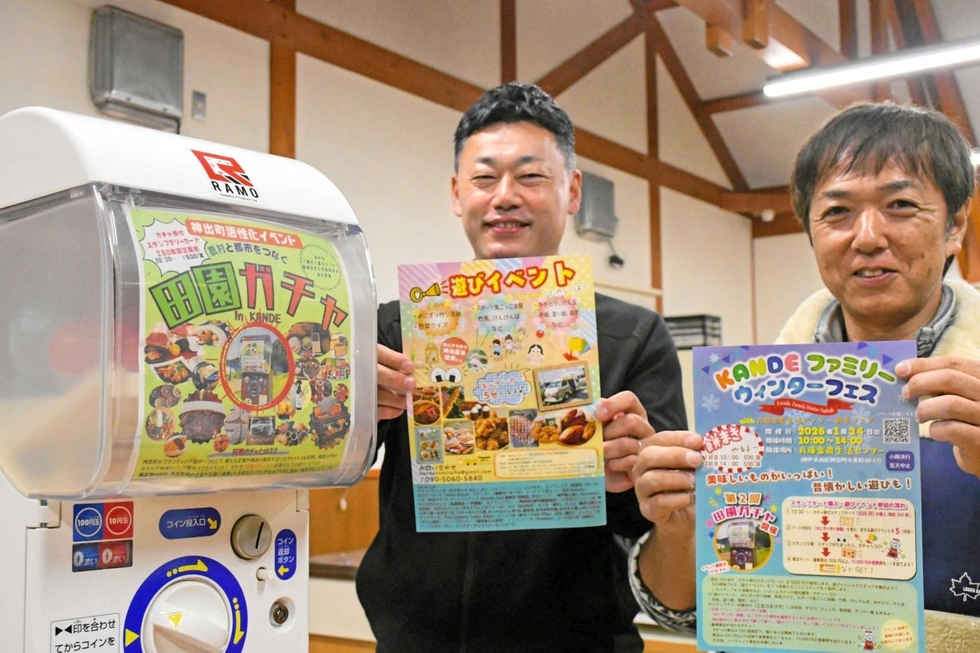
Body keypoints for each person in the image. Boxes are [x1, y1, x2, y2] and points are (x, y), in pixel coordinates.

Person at [631, 102, 980, 648]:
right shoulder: (747, 404)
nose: (867, 236)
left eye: (901, 205)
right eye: (837, 211)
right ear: (811, 232)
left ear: (955, 225)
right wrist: (680, 524)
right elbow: (687, 609)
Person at [357, 82, 689, 652]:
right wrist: (345, 409)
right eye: (484, 179)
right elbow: (332, 463)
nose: (505, 196)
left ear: (572, 190)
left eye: (531, 176)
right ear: (457, 193)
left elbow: (656, 529)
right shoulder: (397, 328)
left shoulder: (633, 336)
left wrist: (648, 471)